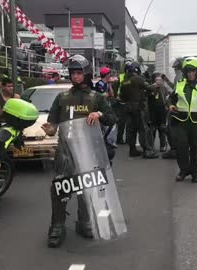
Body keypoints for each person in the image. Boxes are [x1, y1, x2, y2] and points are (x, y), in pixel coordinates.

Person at [41, 54, 117, 248]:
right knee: (60, 188)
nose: (75, 76)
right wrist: (49, 129)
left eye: (79, 73)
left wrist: (98, 113)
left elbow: (112, 118)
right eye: (73, 73)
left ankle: (85, 222)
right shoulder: (62, 97)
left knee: (86, 187)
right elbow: (53, 124)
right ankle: (57, 226)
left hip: (88, 150)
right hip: (65, 151)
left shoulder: (96, 97)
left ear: (86, 74)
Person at [120, 61, 158, 159]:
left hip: (128, 108)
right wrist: (155, 85)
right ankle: (147, 150)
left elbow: (121, 97)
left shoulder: (125, 81)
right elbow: (149, 88)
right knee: (143, 129)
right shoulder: (139, 79)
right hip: (139, 108)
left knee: (130, 129)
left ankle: (132, 149)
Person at [162, 58, 184, 159]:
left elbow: (176, 92)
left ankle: (174, 150)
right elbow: (175, 88)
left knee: (170, 129)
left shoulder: (179, 76)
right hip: (182, 107)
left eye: (175, 67)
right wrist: (166, 80)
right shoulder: (182, 76)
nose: (175, 69)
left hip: (177, 106)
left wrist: (169, 100)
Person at [148, 72, 171, 152]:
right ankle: (151, 146)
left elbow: (168, 98)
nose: (159, 81)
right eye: (157, 80)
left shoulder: (164, 88)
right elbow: (147, 97)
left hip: (162, 112)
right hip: (153, 111)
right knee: (153, 129)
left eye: (160, 80)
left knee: (162, 128)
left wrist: (168, 106)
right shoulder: (151, 88)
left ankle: (162, 146)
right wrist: (153, 87)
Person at [113, 60, 133, 144]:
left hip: (129, 101)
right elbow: (115, 87)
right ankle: (119, 139)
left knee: (129, 122)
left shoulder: (132, 78)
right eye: (129, 70)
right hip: (121, 102)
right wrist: (116, 96)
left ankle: (128, 139)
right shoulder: (120, 77)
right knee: (122, 122)